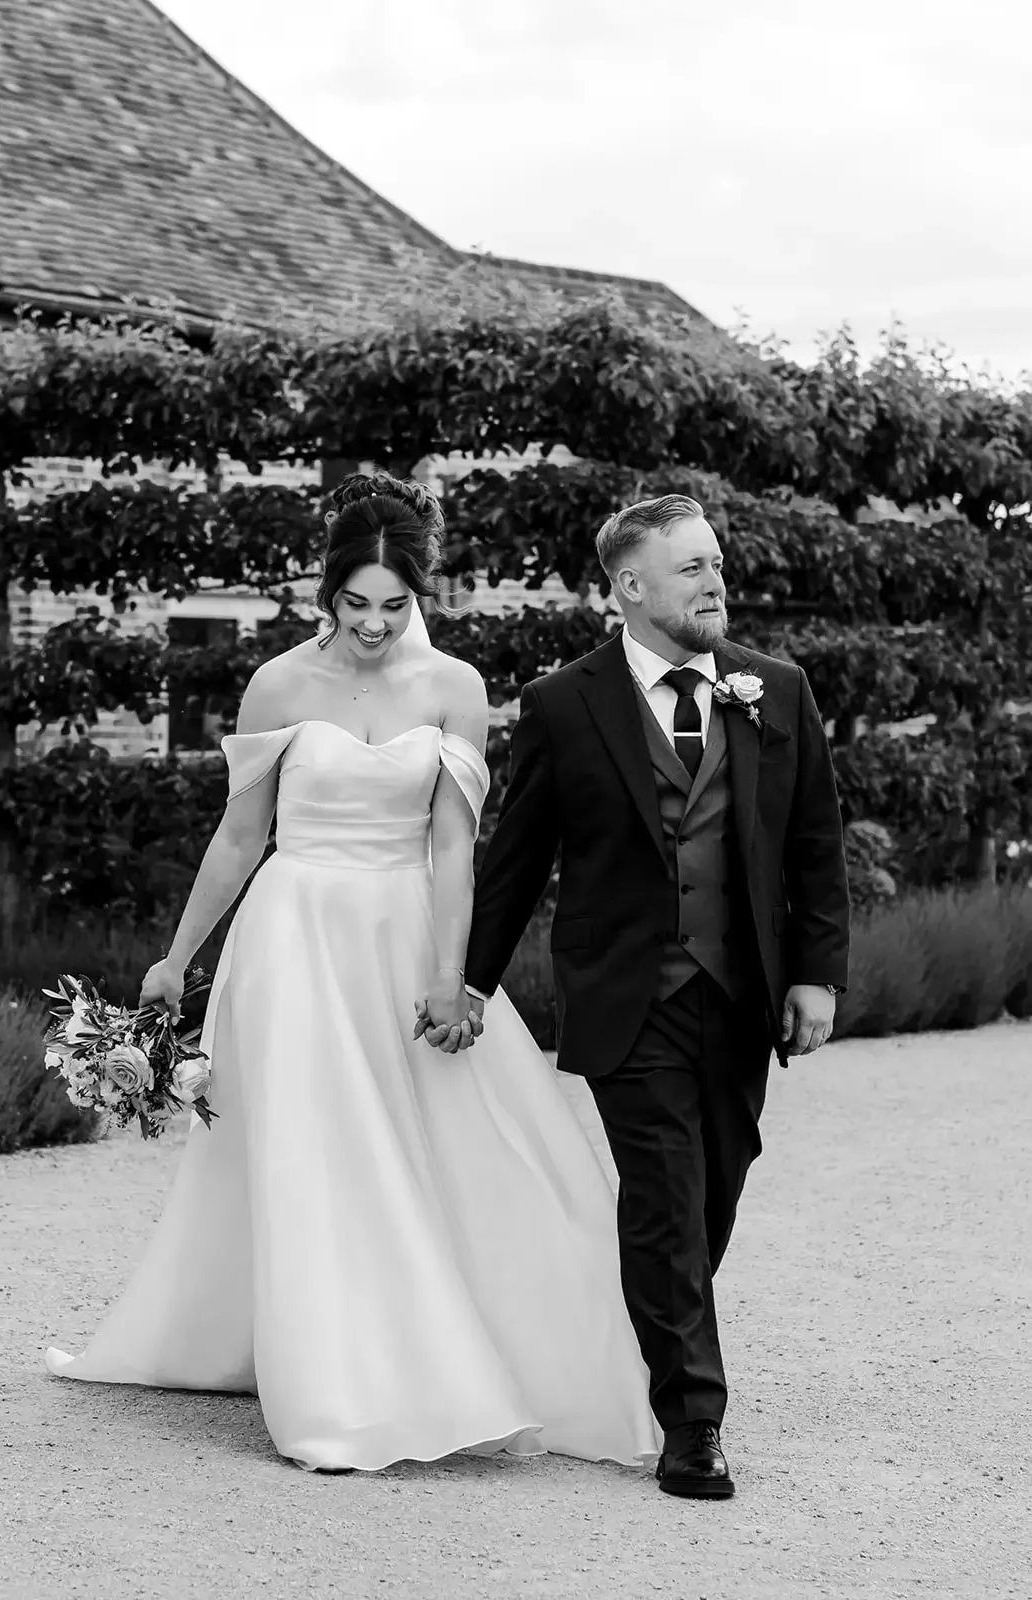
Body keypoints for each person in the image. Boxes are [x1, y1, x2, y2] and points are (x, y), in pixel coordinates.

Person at [46, 472, 661, 1475]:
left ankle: (453, 1350)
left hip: (404, 929)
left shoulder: (455, 689)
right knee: (315, 1146)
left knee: (447, 1141)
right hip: (293, 937)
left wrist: (449, 973)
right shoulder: (279, 684)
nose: (373, 626)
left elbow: (454, 848)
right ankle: (333, 1378)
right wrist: (177, 953)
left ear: (417, 596)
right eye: (354, 604)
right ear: (324, 595)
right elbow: (240, 835)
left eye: (394, 605)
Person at [422, 493, 850, 1499]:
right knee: (662, 1200)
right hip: (627, 997)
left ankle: (656, 1340)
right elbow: (515, 859)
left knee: (714, 1186)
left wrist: (815, 973)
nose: (715, 580)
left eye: (713, 563)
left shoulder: (773, 690)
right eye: (692, 566)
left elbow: (813, 845)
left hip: (740, 992)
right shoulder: (564, 703)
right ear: (629, 586)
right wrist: (466, 985)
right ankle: (690, 1426)